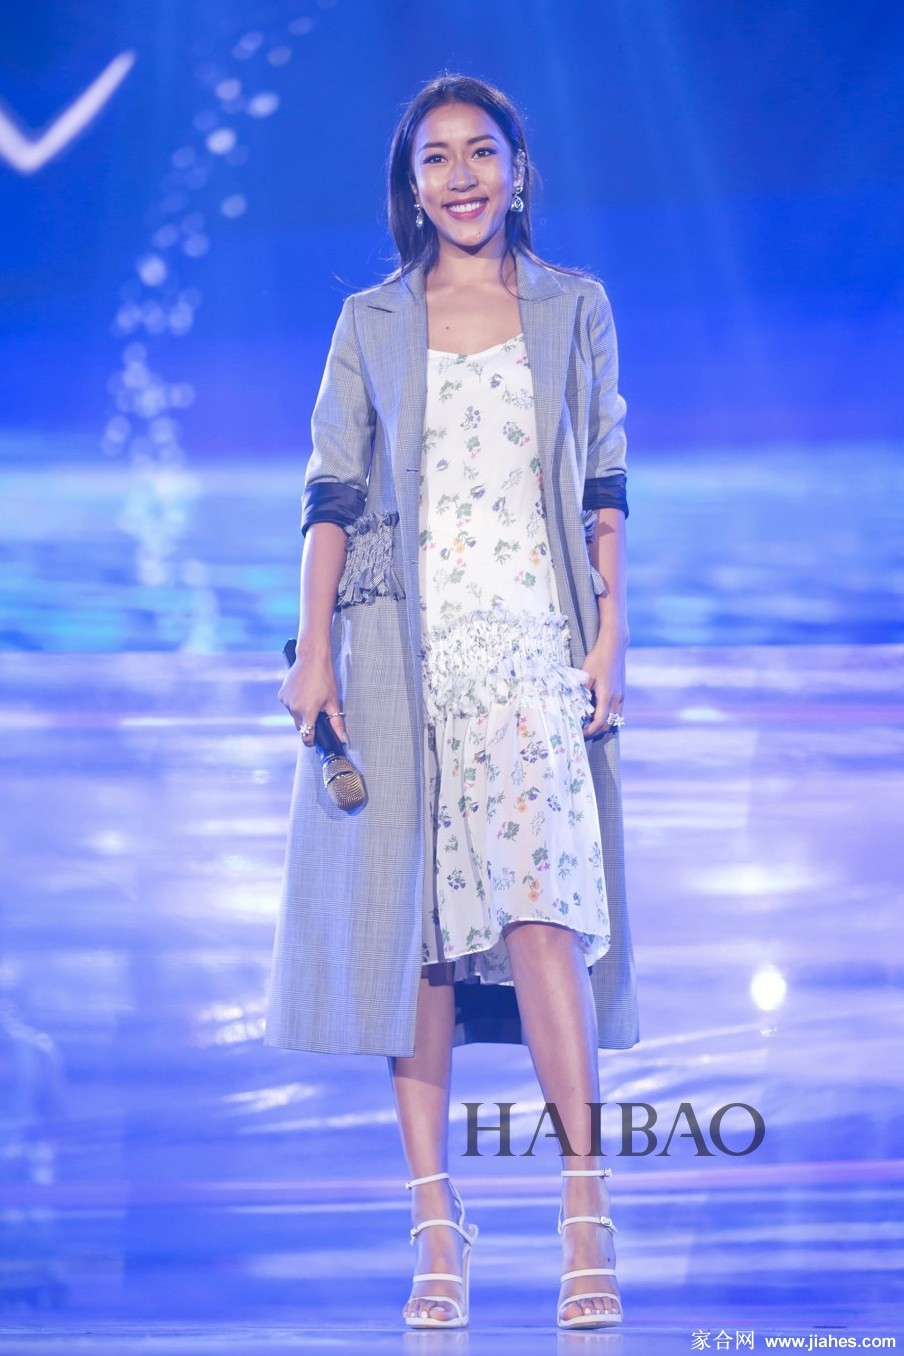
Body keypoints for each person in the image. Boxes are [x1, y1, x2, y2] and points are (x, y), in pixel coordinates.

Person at [266, 73, 638, 1331]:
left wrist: (612, 633)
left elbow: (603, 478)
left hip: (533, 649)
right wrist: (313, 653)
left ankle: (584, 1207)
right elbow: (329, 492)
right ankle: (437, 1226)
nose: (462, 176)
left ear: (518, 170)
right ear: (410, 185)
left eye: (482, 152)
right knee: (415, 941)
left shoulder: (573, 306)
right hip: (400, 651)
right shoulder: (371, 319)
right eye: (437, 158)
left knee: (543, 918)